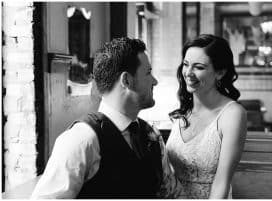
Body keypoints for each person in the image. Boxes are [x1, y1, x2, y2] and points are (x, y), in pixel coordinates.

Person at [31, 37, 182, 198]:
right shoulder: (81, 140)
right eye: (148, 73)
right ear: (127, 80)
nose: (155, 81)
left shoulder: (152, 135)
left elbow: (172, 194)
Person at [166, 34, 247, 199]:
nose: (188, 73)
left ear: (220, 72)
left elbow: (222, 182)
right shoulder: (182, 112)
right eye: (186, 64)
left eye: (199, 67)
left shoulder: (233, 114)